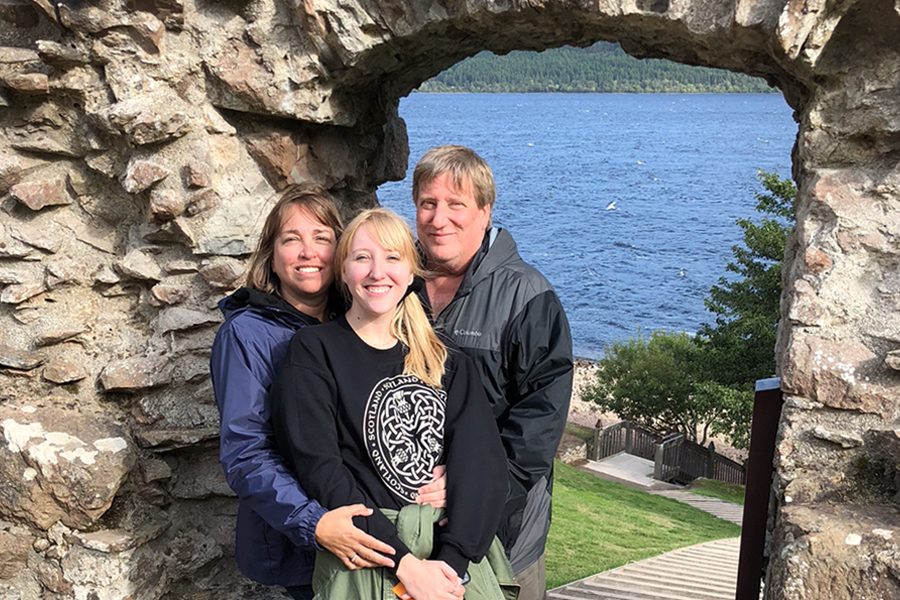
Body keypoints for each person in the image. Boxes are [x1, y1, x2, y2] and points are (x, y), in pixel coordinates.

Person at [210, 186, 446, 600]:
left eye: (321, 238)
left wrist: (444, 474)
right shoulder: (247, 335)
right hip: (305, 546)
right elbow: (246, 452)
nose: (308, 252)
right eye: (291, 239)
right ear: (271, 253)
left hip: (378, 531)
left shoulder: (364, 319)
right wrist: (314, 522)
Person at [269, 208, 513, 600]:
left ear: (411, 272)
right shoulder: (314, 352)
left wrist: (450, 566)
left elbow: (483, 467)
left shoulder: (447, 362)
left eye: (392, 257)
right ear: (344, 272)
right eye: (362, 257)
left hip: (450, 567)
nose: (377, 272)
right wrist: (405, 566)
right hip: (367, 557)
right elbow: (320, 470)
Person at [412, 146, 574, 600]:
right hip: (407, 532)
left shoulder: (529, 296)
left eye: (456, 204)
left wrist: (471, 490)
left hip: (502, 538)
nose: (438, 218)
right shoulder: (390, 282)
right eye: (428, 203)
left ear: (485, 212)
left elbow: (538, 427)